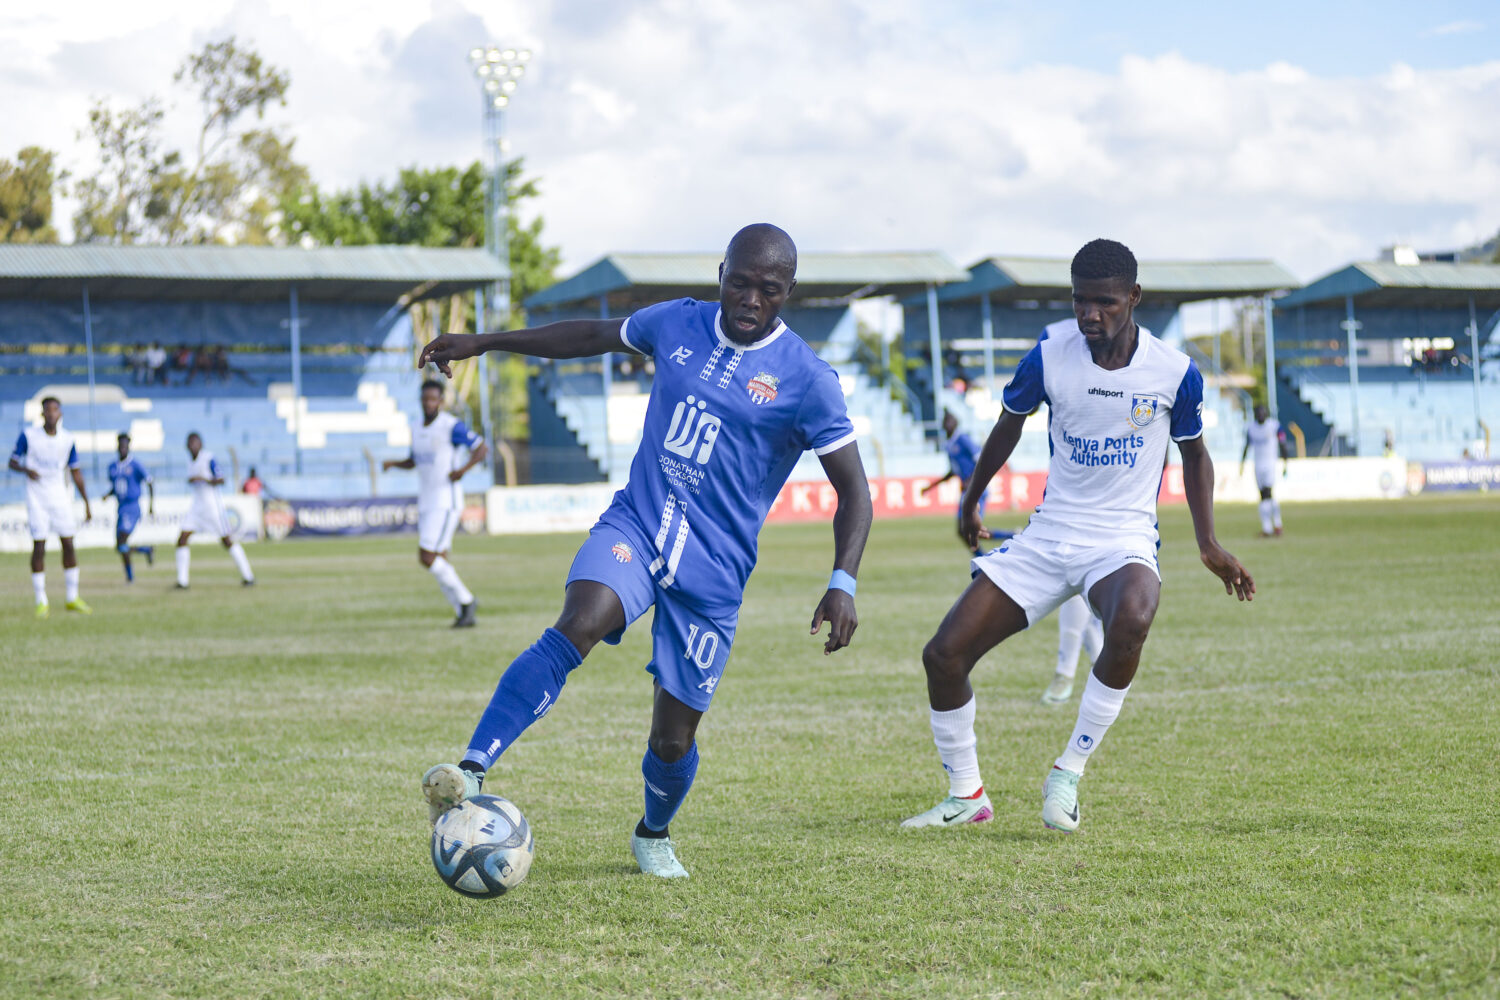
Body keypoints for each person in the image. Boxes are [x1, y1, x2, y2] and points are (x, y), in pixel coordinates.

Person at [416, 224, 872, 879]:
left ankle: (653, 832)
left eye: (767, 291)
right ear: (720, 273)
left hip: (715, 571)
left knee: (672, 737)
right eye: (738, 283)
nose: (749, 300)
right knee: (579, 622)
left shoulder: (808, 380)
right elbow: (589, 336)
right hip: (637, 525)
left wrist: (843, 582)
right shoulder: (676, 324)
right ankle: (469, 769)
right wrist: (487, 342)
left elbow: (854, 491)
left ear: (787, 293)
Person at [901, 239, 1253, 835]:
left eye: (1105, 303)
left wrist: (1208, 542)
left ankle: (1068, 773)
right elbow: (1008, 425)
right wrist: (970, 497)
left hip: (1121, 539)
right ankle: (968, 795)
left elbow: (1195, 455)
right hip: (1050, 535)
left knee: (1134, 614)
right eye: (1080, 301)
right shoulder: (1049, 356)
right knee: (944, 654)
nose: (1090, 315)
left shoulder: (1173, 371)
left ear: (1133, 299)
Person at [381, 381, 489, 627]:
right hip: (427, 500)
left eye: (433, 399)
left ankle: (466, 600)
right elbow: (415, 461)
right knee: (439, 558)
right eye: (425, 399)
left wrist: (463, 469)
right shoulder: (416, 427)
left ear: (441, 401)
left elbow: (482, 448)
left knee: (426, 556)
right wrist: (394, 464)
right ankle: (463, 612)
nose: (428, 403)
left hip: (446, 500)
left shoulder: (451, 426)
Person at [9, 396, 92, 616]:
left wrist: (86, 502)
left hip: (60, 497)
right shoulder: (29, 436)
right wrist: (27, 470)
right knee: (39, 546)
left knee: (69, 544)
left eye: (55, 409)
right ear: (42, 414)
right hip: (37, 498)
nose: (52, 413)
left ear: (60, 414)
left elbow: (76, 472)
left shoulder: (67, 439)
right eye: (48, 410)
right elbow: (12, 461)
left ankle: (72, 597)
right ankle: (41, 600)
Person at [174, 432, 255, 589]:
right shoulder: (189, 462)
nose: (192, 446)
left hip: (212, 507)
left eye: (195, 443)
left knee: (227, 541)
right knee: (182, 539)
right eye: (190, 443)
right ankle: (182, 581)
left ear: (201, 444)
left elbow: (221, 479)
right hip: (197, 507)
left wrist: (203, 479)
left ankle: (248, 576)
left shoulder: (209, 458)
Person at [922, 410, 988, 554]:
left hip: (976, 489)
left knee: (971, 529)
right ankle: (984, 558)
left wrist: (971, 481)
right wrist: (930, 487)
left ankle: (1004, 541)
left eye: (949, 420)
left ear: (955, 423)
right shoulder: (949, 445)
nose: (946, 424)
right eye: (945, 421)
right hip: (967, 491)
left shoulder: (963, 439)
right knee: (963, 531)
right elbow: (952, 471)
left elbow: (980, 459)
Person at [103, 433, 155, 583]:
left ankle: (131, 577)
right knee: (120, 547)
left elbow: (150, 482)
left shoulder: (135, 465)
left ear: (129, 447)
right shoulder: (112, 467)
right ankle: (145, 551)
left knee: (122, 540)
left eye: (125, 445)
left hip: (132, 508)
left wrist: (151, 506)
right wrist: (108, 494)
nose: (123, 448)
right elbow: (117, 487)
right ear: (117, 446)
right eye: (121, 445)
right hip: (120, 508)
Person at [1240, 404, 1289, 537]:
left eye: (1263, 412)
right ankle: (1277, 525)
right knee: (1265, 496)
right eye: (1259, 412)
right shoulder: (1251, 428)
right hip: (1258, 466)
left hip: (1270, 465)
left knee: (1266, 494)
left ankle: (1267, 528)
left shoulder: (1274, 426)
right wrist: (1242, 463)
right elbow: (1246, 446)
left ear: (1267, 413)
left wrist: (1285, 462)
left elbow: (1283, 444)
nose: (1261, 415)